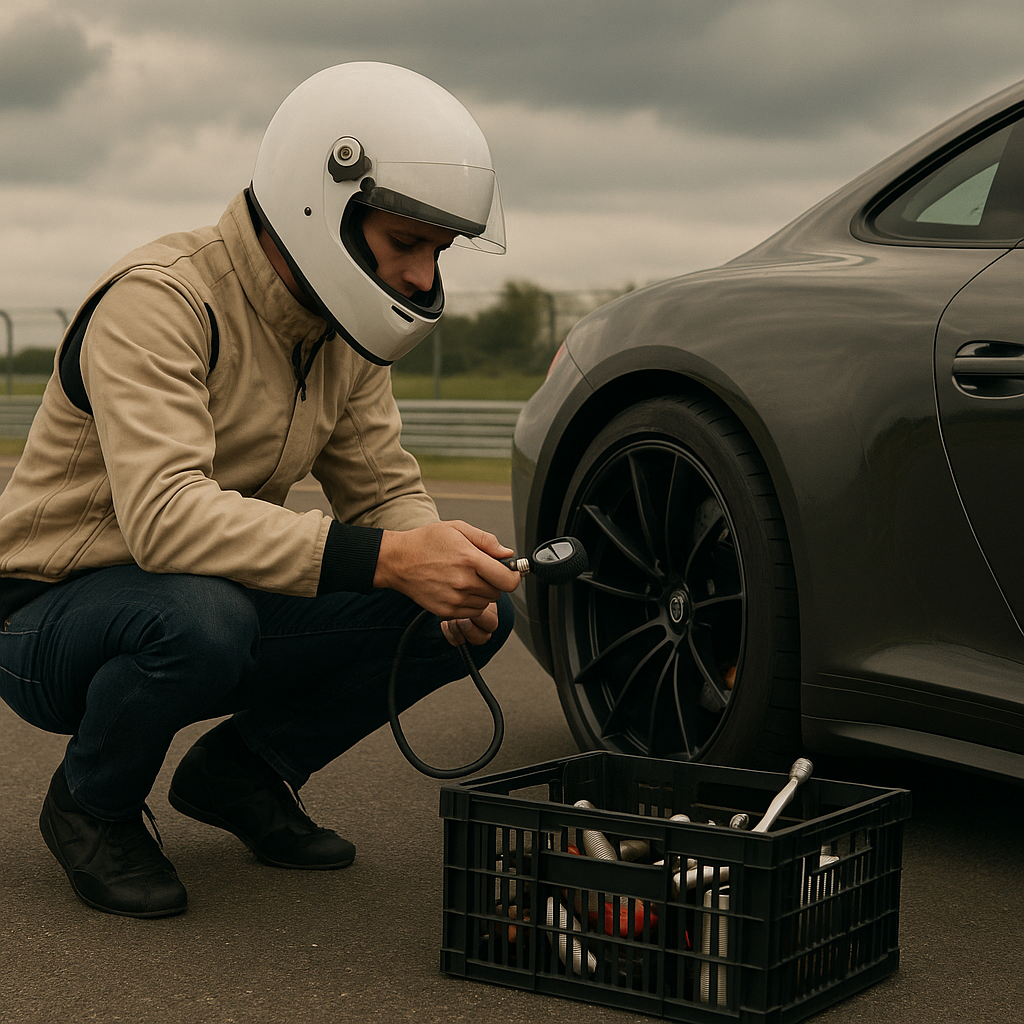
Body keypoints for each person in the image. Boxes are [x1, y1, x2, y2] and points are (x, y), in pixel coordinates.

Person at [0, 63, 519, 919]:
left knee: (463, 606)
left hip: (200, 593)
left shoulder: (339, 329)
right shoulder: (159, 298)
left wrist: (440, 560)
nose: (425, 279)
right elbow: (165, 522)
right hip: (46, 614)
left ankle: (243, 773)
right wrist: (388, 557)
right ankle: (90, 806)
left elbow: (382, 489)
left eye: (438, 252)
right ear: (323, 206)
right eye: (405, 245)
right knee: (202, 620)